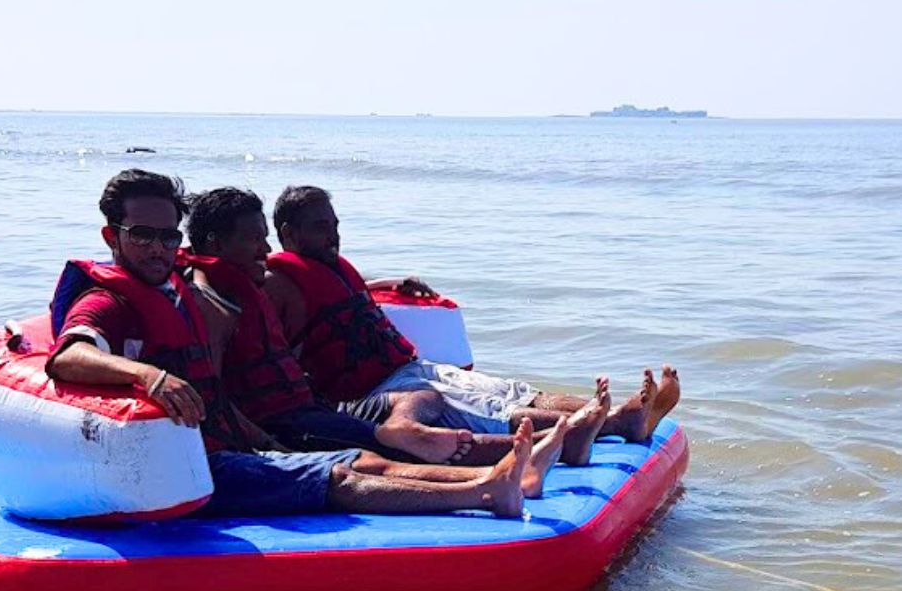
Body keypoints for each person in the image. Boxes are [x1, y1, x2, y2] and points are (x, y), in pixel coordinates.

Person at [45, 169, 536, 518]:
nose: (158, 247)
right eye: (142, 235)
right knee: (344, 472)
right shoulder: (110, 302)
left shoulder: (176, 295)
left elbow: (214, 392)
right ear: (112, 235)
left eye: (167, 236)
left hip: (237, 442)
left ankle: (501, 474)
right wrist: (147, 375)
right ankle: (489, 486)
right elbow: (67, 355)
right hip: (192, 468)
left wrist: (262, 442)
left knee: (376, 444)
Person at [180, 185, 610, 496]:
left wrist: (387, 282)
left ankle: (554, 440)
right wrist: (262, 441)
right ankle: (528, 455)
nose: (263, 249)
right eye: (254, 239)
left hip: (312, 405)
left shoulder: (245, 291)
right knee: (392, 448)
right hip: (284, 423)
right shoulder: (213, 305)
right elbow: (215, 393)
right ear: (216, 243)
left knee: (414, 417)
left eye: (264, 238)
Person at [264, 185, 681, 449]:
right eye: (321, 227)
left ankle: (621, 416)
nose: (334, 235)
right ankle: (616, 423)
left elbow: (344, 300)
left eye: (335, 225)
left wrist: (393, 282)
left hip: (409, 368)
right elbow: (272, 349)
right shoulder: (276, 284)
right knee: (484, 409)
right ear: (288, 233)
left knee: (510, 390)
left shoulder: (329, 266)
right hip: (374, 391)